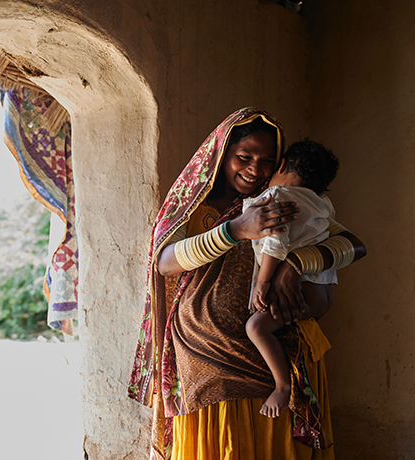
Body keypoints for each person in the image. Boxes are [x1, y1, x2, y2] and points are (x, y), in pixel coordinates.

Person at [127, 108, 366, 460]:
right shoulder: (191, 205)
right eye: (244, 157)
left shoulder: (285, 201)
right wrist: (236, 229)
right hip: (205, 361)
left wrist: (296, 265)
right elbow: (164, 263)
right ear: (221, 154)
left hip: (277, 354)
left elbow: (353, 245)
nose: (255, 169)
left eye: (268, 161)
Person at [244, 140, 341, 419]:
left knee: (256, 328)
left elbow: (275, 244)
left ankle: (282, 386)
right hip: (322, 292)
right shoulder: (322, 203)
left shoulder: (277, 196)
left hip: (300, 291)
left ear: (282, 165)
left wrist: (262, 284)